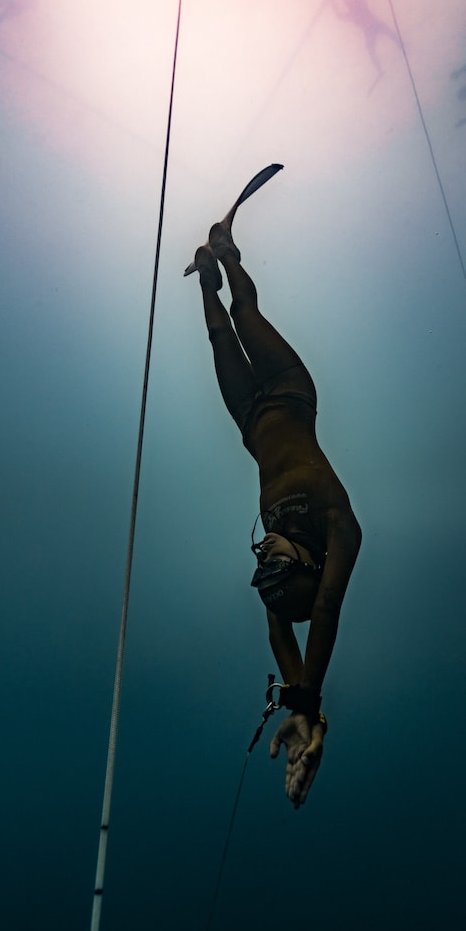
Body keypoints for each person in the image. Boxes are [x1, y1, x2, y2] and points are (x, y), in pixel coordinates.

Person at [189, 220, 362, 808]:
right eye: (276, 568)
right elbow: (327, 609)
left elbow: (279, 624)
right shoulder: (337, 524)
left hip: (248, 416)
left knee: (217, 335)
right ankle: (229, 253)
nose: (265, 557)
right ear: (310, 568)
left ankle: (207, 279)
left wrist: (294, 701)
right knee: (246, 314)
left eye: (263, 572)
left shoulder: (277, 574)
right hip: (290, 390)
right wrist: (310, 707)